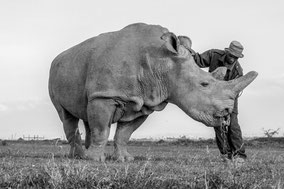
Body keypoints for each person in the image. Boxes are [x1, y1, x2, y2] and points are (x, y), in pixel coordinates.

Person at [180, 39, 247, 161]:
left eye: (236, 57)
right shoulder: (214, 55)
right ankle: (225, 154)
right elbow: (197, 60)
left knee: (233, 125)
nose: (232, 59)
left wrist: (229, 108)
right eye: (231, 55)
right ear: (226, 52)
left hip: (230, 97)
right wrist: (187, 50)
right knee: (218, 124)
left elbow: (235, 90)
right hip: (214, 95)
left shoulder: (238, 71)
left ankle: (239, 155)